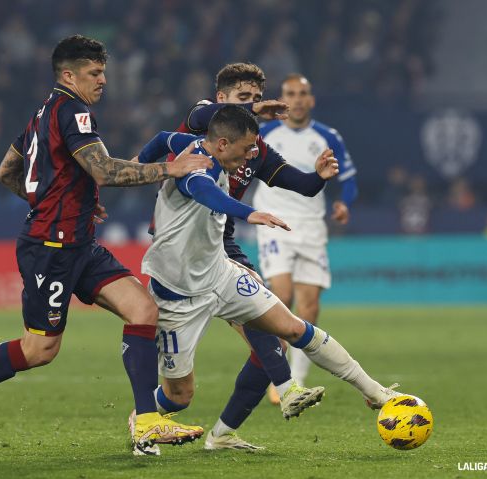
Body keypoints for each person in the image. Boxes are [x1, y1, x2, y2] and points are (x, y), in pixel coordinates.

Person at [0, 35, 212, 449]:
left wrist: (63, 198)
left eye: (103, 72)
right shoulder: (73, 111)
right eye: (94, 73)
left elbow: (7, 172)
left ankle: (148, 419)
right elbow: (104, 171)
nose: (103, 80)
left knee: (143, 309)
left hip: (78, 240)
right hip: (51, 248)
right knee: (40, 350)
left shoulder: (41, 113)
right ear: (68, 75)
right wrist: (172, 167)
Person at [137, 105, 403, 454]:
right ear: (220, 143)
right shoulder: (194, 165)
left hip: (220, 272)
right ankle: (142, 419)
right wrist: (251, 213)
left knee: (292, 328)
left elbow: (159, 139)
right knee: (180, 395)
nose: (251, 155)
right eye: (246, 148)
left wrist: (139, 166)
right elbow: (207, 193)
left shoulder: (204, 145)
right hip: (177, 293)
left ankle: (375, 392)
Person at [134, 63, 340, 453]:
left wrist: (319, 176)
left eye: (256, 99)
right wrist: (138, 168)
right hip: (185, 250)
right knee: (260, 329)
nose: (252, 105)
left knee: (269, 341)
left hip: (221, 244)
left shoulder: (255, 148)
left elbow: (302, 185)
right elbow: (169, 134)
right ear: (221, 99)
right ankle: (285, 388)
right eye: (243, 99)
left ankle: (225, 431)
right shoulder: (201, 125)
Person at [253, 73, 358, 398]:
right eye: (290, 94)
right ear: (282, 99)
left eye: (303, 94)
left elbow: (350, 178)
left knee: (309, 304)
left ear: (311, 100)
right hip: (275, 222)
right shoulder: (264, 132)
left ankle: (296, 378)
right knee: (281, 296)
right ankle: (278, 376)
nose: (297, 99)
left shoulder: (328, 136)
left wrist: (344, 202)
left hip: (312, 226)